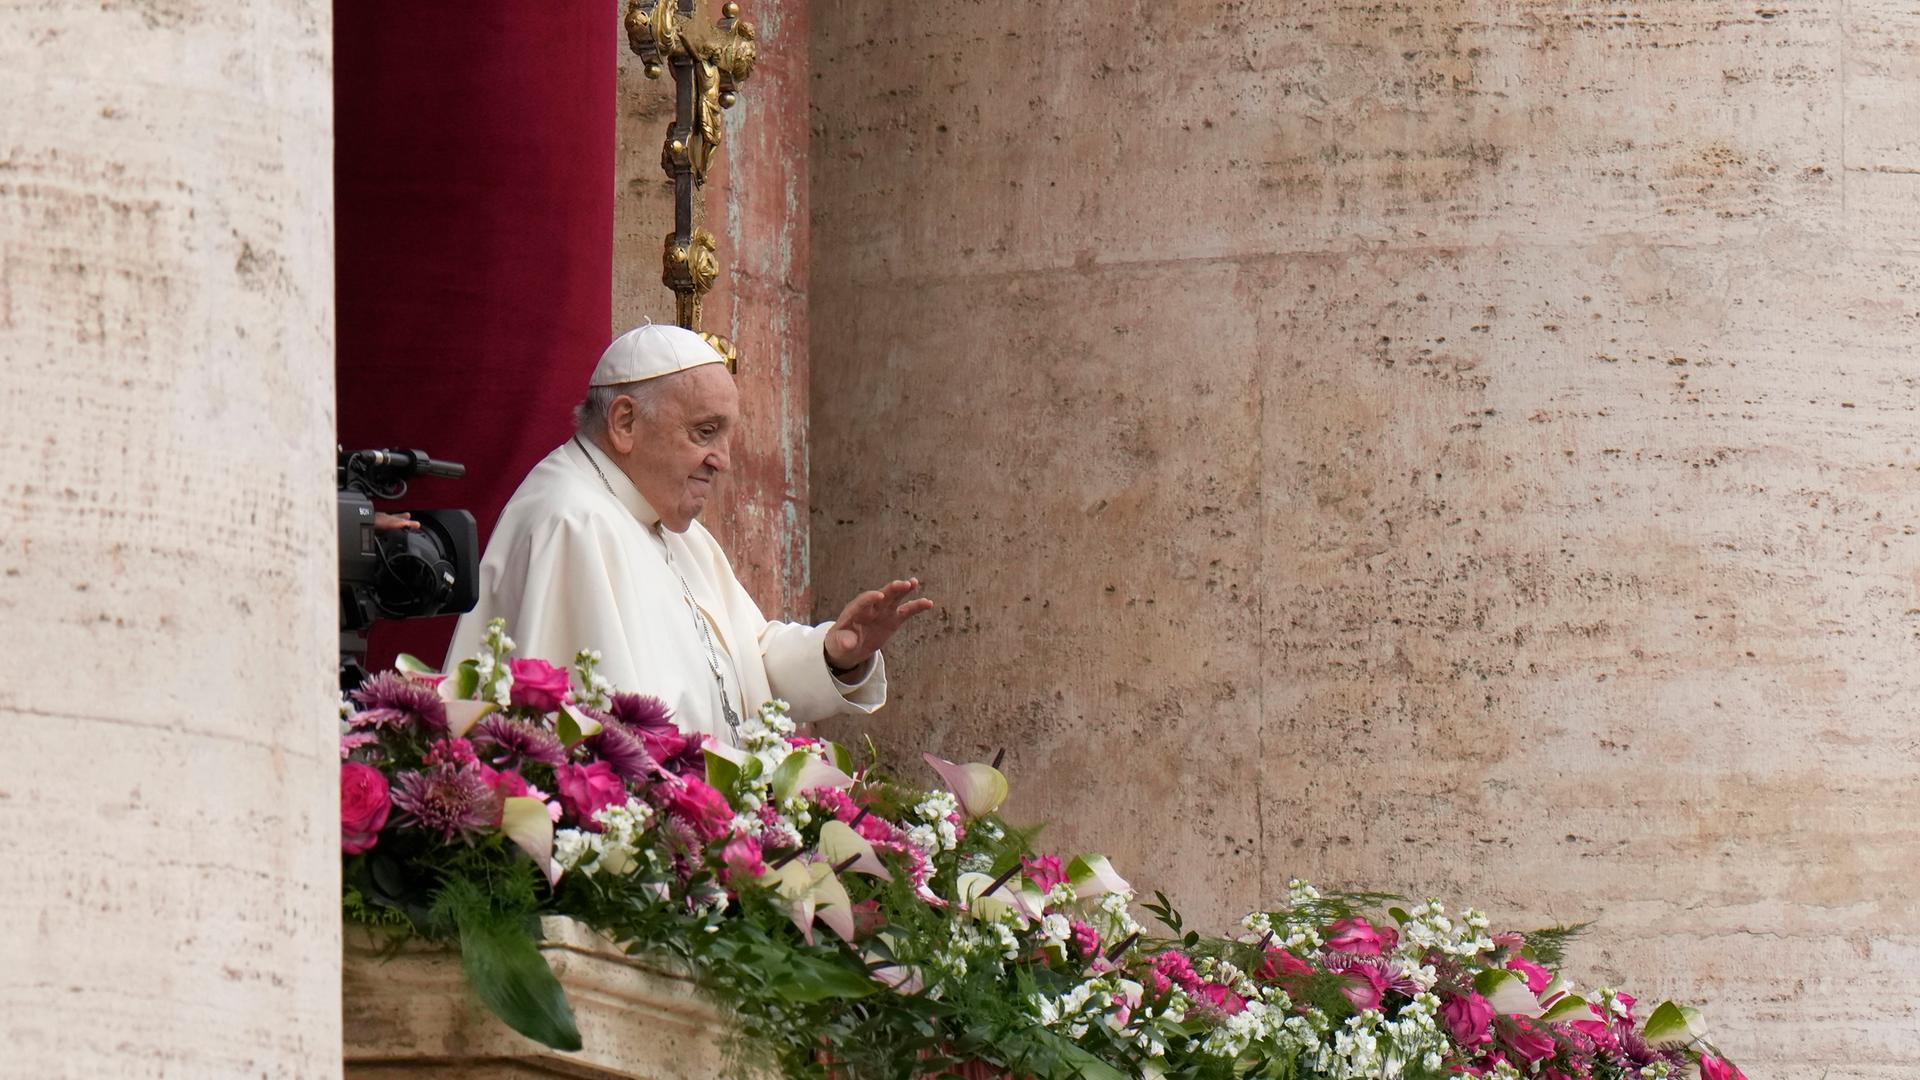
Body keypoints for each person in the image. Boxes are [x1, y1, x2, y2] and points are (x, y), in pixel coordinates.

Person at [446, 323, 933, 744]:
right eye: (705, 432)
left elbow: (748, 660)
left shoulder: (676, 528)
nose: (722, 459)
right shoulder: (569, 522)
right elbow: (591, 739)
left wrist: (835, 652)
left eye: (726, 436)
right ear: (625, 422)